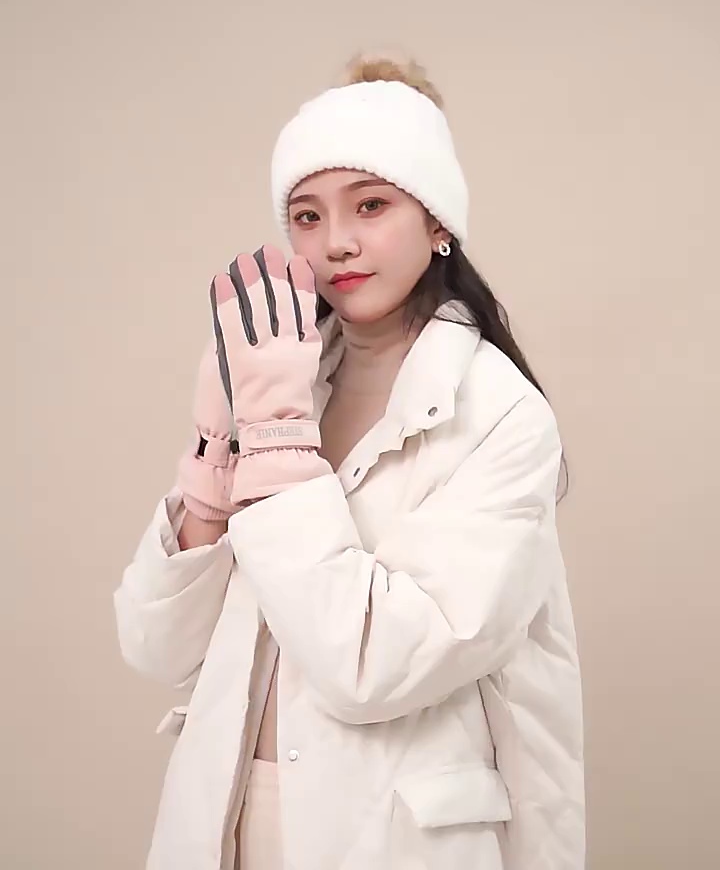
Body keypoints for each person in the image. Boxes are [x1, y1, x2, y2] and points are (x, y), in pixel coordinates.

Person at [113, 54, 585, 870]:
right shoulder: (283, 376)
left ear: (437, 221)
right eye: (306, 216)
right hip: (226, 816)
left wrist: (277, 442)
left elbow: (377, 667)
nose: (336, 242)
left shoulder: (501, 416)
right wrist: (213, 467)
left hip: (385, 838)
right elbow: (158, 649)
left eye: (371, 204)